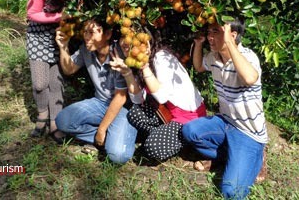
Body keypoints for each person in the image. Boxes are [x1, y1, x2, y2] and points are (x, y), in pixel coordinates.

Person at [181, 18, 268, 199]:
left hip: (249, 132)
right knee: (190, 131)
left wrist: (229, 43)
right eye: (209, 33)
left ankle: (256, 157)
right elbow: (198, 67)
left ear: (232, 35)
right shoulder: (213, 58)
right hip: (226, 122)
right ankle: (230, 156)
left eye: (216, 32)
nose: (210, 37)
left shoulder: (248, 57)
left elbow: (251, 78)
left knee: (231, 192)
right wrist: (198, 44)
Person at [110, 30, 206, 162]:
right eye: (124, 46)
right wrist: (127, 73)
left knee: (152, 148)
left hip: (187, 117)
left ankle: (185, 141)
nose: (126, 48)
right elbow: (137, 99)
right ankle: (167, 136)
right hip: (166, 113)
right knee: (134, 114)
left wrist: (145, 67)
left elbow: (161, 97)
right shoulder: (136, 62)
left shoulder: (161, 58)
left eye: (129, 44)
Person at [54, 19, 138, 164]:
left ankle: (115, 137)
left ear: (107, 34)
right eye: (85, 32)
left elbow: (120, 98)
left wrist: (102, 129)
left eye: (92, 32)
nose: (87, 36)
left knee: (118, 157)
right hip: (99, 103)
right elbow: (69, 69)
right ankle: (109, 139)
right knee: (62, 121)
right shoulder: (86, 50)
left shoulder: (118, 54)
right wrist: (63, 47)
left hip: (122, 109)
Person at [26, 0, 78, 142]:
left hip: (61, 38)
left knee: (56, 83)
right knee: (40, 84)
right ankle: (42, 116)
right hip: (38, 36)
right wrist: (59, 16)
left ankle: (56, 122)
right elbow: (32, 13)